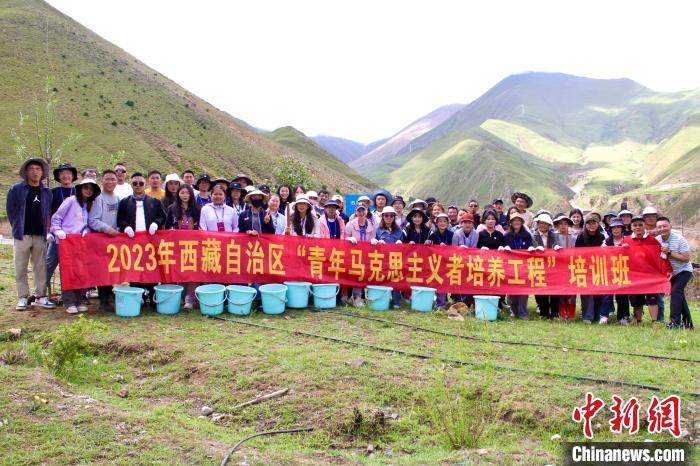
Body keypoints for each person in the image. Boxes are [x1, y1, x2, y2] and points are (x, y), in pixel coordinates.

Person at [6, 158, 55, 310]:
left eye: (38, 169)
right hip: (22, 234)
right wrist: (17, 226)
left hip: (40, 234)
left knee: (40, 267)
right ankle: (23, 297)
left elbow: (49, 212)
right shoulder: (16, 189)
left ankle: (40, 296)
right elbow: (10, 211)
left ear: (42, 172)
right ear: (26, 172)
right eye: (32, 169)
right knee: (20, 266)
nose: (35, 172)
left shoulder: (47, 192)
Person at [51, 179, 101, 314]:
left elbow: (86, 224)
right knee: (68, 271)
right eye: (86, 188)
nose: (88, 191)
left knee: (81, 271)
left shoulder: (88, 205)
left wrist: (87, 231)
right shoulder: (70, 201)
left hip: (81, 242)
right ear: (80, 188)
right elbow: (56, 218)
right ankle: (69, 302)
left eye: (91, 189)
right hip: (66, 241)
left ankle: (79, 300)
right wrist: (57, 231)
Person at [88, 169, 121, 312]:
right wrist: (107, 229)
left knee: (112, 268)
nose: (110, 182)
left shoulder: (117, 198)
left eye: (113, 179)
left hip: (114, 240)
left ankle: (109, 293)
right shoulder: (98, 198)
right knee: (102, 270)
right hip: (101, 239)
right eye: (107, 179)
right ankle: (103, 300)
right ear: (102, 181)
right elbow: (93, 220)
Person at [656, 217, 693, 329]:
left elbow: (686, 258)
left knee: (676, 291)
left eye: (665, 226)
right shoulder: (657, 240)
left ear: (670, 226)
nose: (662, 229)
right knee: (679, 295)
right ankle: (688, 324)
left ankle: (675, 322)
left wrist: (669, 253)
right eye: (659, 227)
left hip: (683, 270)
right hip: (670, 272)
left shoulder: (680, 239)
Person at [624, 215, 661, 323]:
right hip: (634, 275)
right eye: (635, 225)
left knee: (652, 300)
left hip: (650, 275)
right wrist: (623, 248)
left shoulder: (652, 240)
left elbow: (659, 256)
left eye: (640, 225)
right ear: (631, 227)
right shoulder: (626, 240)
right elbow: (619, 256)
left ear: (644, 226)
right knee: (636, 301)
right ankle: (638, 321)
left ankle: (654, 322)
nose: (638, 227)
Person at [47, 163, 78, 289]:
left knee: (72, 265)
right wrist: (48, 231)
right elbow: (48, 213)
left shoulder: (78, 191)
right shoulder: (52, 193)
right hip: (57, 234)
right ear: (58, 176)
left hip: (74, 235)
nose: (66, 176)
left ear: (73, 176)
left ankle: (70, 291)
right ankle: (40, 292)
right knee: (50, 262)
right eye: (62, 173)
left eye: (68, 173)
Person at [575, 214, 606, 323]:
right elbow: (576, 252)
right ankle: (587, 316)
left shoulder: (602, 237)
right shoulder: (581, 236)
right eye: (589, 223)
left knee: (598, 292)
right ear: (586, 225)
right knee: (586, 292)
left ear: (598, 224)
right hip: (585, 268)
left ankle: (597, 315)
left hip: (598, 267)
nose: (592, 225)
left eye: (594, 223)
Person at [345, 203, 376, 306]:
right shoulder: (350, 224)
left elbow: (373, 237)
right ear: (356, 212)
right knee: (357, 275)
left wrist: (374, 241)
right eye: (359, 211)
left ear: (367, 211)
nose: (361, 213)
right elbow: (344, 238)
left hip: (367, 255)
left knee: (367, 275)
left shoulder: (371, 224)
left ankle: (366, 297)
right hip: (354, 255)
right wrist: (348, 239)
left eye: (363, 210)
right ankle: (356, 297)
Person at [372, 206, 403, 309]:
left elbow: (404, 247)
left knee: (395, 279)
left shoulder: (399, 231)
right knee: (382, 279)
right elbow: (374, 244)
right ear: (383, 217)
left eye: (391, 215)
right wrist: (376, 242)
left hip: (395, 259)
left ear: (394, 217)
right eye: (386, 215)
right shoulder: (378, 230)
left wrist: (400, 243)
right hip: (382, 259)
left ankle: (396, 301)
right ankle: (382, 299)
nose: (389, 217)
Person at [504, 212, 533, 319]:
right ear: (511, 223)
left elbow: (530, 247)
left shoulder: (527, 235)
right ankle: (513, 310)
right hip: (511, 266)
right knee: (512, 290)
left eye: (519, 220)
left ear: (522, 222)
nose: (517, 222)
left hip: (524, 266)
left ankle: (523, 312)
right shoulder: (506, 235)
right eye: (514, 220)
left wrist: (531, 249)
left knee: (524, 291)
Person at [602, 217, 631, 325]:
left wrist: (628, 249)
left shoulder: (627, 240)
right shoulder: (606, 241)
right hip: (609, 271)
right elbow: (600, 254)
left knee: (622, 295)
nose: (616, 229)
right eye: (614, 227)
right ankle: (604, 316)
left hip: (623, 271)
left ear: (622, 228)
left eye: (618, 227)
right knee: (607, 294)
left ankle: (623, 317)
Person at [531, 213, 559, 319]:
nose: (542, 225)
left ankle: (555, 313)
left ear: (549, 225)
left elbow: (558, 247)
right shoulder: (533, 236)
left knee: (555, 289)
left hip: (553, 266)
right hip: (539, 265)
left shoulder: (554, 235)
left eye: (545, 223)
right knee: (541, 289)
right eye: (540, 223)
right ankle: (544, 312)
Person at [429, 213, 454, 310]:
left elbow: (455, 247)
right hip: (437, 262)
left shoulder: (451, 234)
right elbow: (429, 249)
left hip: (449, 261)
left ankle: (445, 300)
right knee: (439, 281)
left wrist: (447, 248)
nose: (442, 223)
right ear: (436, 223)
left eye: (444, 221)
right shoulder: (433, 235)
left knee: (446, 281)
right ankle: (440, 303)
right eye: (440, 221)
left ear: (448, 223)